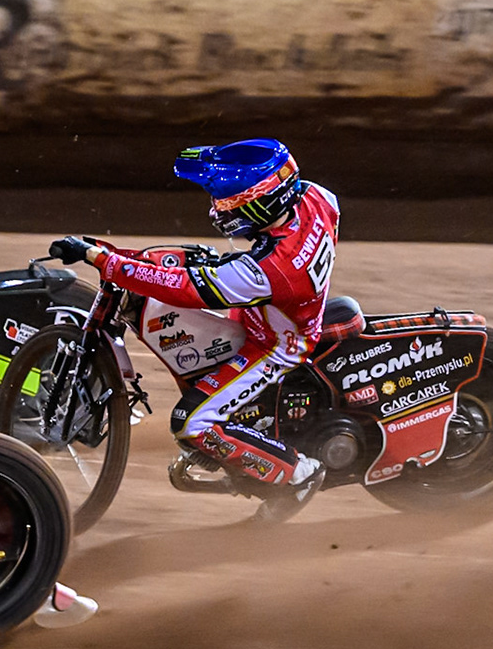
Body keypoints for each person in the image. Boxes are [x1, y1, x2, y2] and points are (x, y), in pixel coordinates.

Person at [49, 138, 337, 513]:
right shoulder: (317, 198)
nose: (221, 209)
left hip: (275, 346)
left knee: (191, 423)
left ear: (265, 202)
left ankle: (297, 475)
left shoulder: (269, 269)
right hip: (271, 310)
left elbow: (184, 288)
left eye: (232, 203)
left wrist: (103, 259)